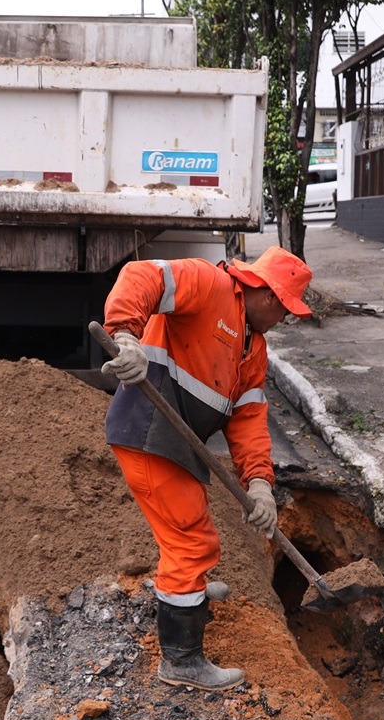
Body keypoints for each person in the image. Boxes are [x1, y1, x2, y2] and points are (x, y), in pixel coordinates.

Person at [102, 246, 314, 691]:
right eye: (287, 310)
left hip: (178, 445)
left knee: (190, 523)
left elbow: (250, 419)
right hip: (148, 430)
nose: (285, 319)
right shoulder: (209, 284)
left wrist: (259, 485)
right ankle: (180, 661)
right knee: (190, 540)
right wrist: (126, 336)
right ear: (271, 296)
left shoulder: (253, 346)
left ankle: (187, 593)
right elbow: (143, 275)